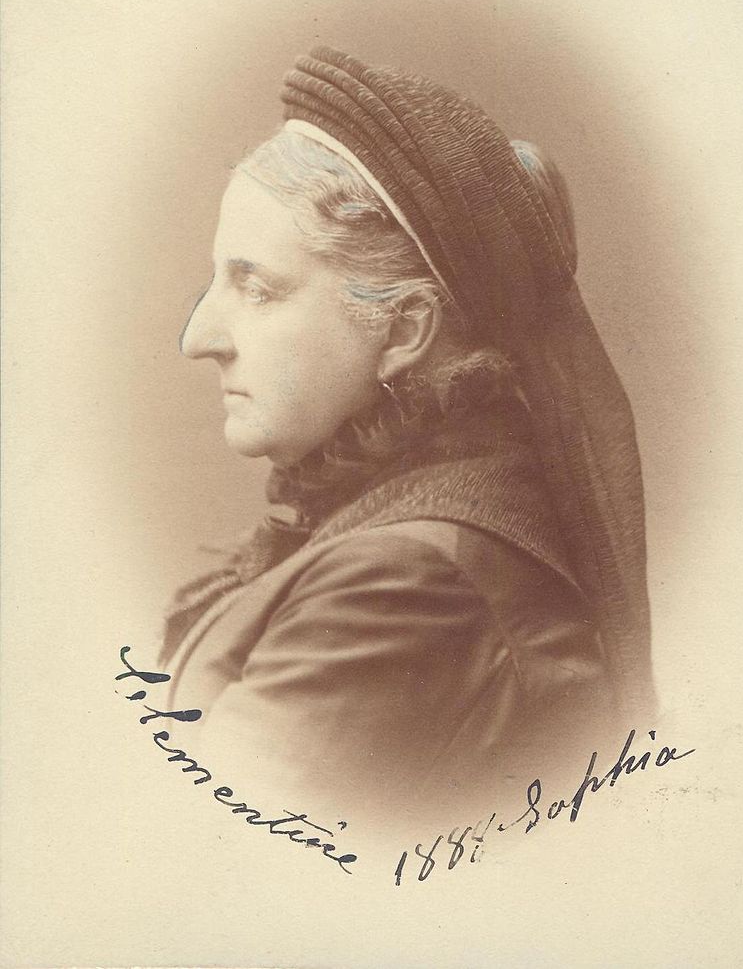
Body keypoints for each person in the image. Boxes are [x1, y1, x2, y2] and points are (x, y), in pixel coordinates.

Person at [159, 46, 654, 832]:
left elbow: (192, 859)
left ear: (402, 330)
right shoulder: (389, 522)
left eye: (257, 287)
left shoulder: (406, 583)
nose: (199, 338)